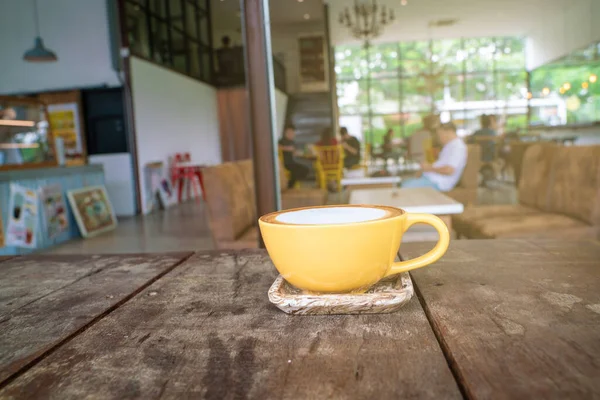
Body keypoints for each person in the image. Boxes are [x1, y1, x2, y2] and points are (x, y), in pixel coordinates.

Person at [402, 122, 467, 192]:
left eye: (440, 135)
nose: (439, 138)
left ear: (449, 132)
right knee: (404, 183)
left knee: (405, 187)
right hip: (432, 178)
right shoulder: (449, 145)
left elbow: (449, 170)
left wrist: (429, 168)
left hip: (438, 183)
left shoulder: (457, 147)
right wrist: (426, 169)